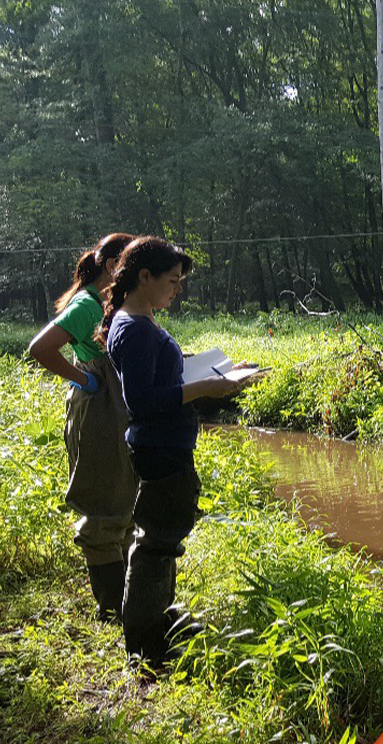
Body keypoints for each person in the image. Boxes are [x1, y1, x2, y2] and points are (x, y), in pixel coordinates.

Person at [101, 236, 244, 666]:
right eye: (172, 280)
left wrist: (198, 368)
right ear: (143, 277)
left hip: (164, 447)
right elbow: (142, 401)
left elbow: (156, 377)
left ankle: (156, 625)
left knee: (162, 540)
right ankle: (145, 647)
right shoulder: (135, 328)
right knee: (156, 544)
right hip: (159, 449)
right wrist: (205, 387)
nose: (178, 289)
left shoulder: (140, 321)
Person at [27, 233, 138, 623]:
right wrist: (83, 379)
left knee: (123, 498)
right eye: (128, 265)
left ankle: (126, 601)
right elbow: (41, 348)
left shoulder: (108, 304)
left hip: (112, 408)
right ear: (111, 266)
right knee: (103, 502)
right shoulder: (86, 305)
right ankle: (111, 610)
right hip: (97, 410)